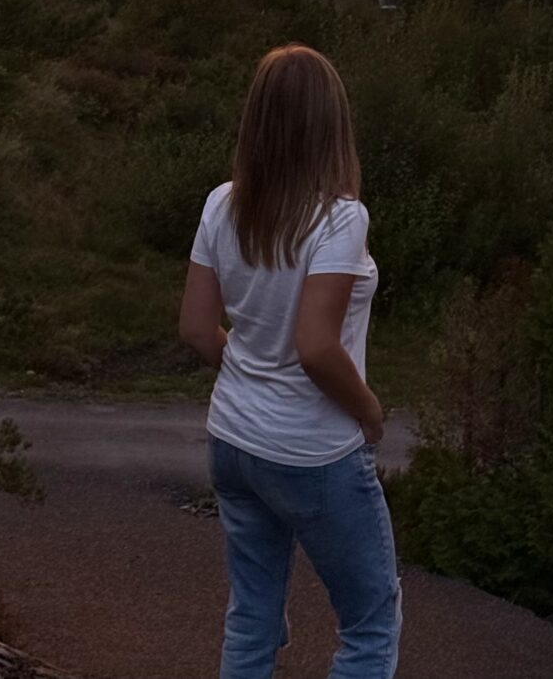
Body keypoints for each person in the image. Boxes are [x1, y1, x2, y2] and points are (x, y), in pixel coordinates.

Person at [179, 43, 401, 679]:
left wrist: (250, 371)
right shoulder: (340, 220)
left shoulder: (222, 203)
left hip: (233, 440)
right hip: (312, 454)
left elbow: (197, 330)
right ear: (331, 123)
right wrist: (370, 411)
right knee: (370, 621)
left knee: (252, 614)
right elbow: (315, 347)